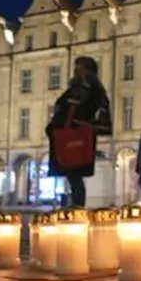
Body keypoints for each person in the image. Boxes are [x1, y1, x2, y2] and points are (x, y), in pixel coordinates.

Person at [45, 56, 112, 208]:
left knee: (74, 173)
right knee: (74, 175)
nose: (76, 70)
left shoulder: (85, 87)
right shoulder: (90, 87)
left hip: (74, 134)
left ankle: (78, 208)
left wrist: (57, 125)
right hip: (76, 133)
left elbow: (71, 107)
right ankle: (76, 206)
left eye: (80, 67)